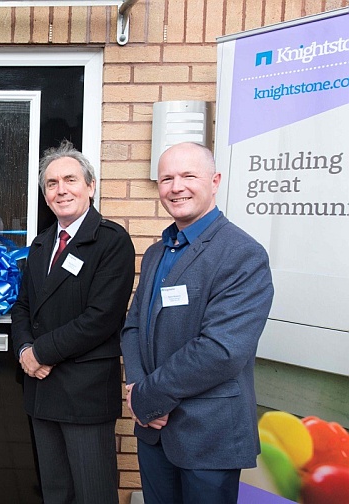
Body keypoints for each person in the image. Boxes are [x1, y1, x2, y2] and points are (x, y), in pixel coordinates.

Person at [121, 142, 274, 504]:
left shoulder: (242, 254)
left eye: (189, 176)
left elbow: (221, 351)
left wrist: (148, 397)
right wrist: (137, 386)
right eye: (167, 178)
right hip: (153, 432)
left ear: (215, 180)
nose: (176, 187)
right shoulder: (159, 251)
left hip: (209, 435)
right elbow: (133, 326)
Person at [11, 139, 135, 504]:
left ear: (90, 186)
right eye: (52, 184)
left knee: (93, 494)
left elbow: (101, 318)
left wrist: (40, 353)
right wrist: (23, 350)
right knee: (56, 493)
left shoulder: (112, 242)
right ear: (45, 195)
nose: (61, 190)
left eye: (70, 180)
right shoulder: (40, 244)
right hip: (41, 390)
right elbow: (22, 307)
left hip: (85, 393)